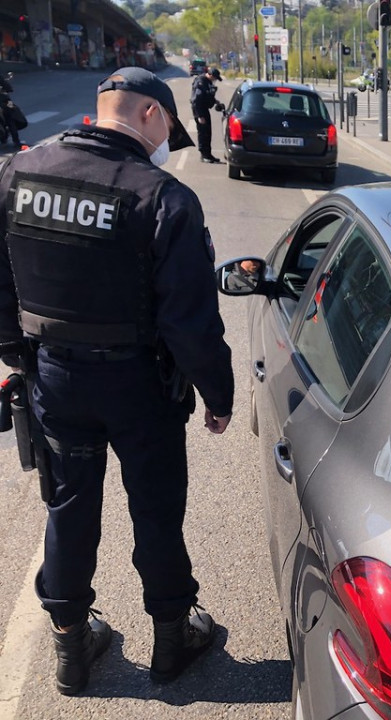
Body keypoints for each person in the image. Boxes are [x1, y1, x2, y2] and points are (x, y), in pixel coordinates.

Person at [0, 66, 234, 695]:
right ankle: (171, 639)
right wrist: (218, 393)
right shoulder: (163, 197)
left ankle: (71, 650)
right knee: (156, 511)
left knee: (69, 506)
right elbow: (190, 323)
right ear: (152, 115)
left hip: (54, 378)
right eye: (168, 132)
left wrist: (17, 355)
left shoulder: (19, 173)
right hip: (141, 388)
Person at [190, 66, 224, 163]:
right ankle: (204, 155)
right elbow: (196, 100)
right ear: (210, 75)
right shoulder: (201, 82)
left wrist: (215, 101)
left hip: (204, 109)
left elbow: (207, 95)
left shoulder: (207, 82)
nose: (215, 80)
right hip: (200, 110)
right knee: (203, 133)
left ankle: (208, 154)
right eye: (215, 78)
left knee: (208, 132)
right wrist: (199, 116)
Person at [0, 73, 20, 147]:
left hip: (5, 102)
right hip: (4, 101)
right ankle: (16, 140)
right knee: (11, 119)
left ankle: (4, 138)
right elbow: (9, 88)